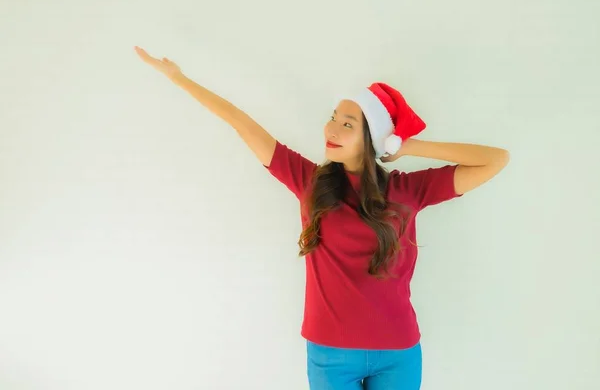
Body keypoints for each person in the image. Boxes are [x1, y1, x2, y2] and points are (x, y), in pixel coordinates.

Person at [134, 46, 510, 390]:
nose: (330, 129)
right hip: (331, 354)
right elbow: (242, 123)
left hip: (398, 351)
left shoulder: (409, 190)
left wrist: (408, 146)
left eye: (347, 124)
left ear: (373, 139)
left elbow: (496, 158)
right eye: (333, 118)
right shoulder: (310, 182)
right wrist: (178, 78)